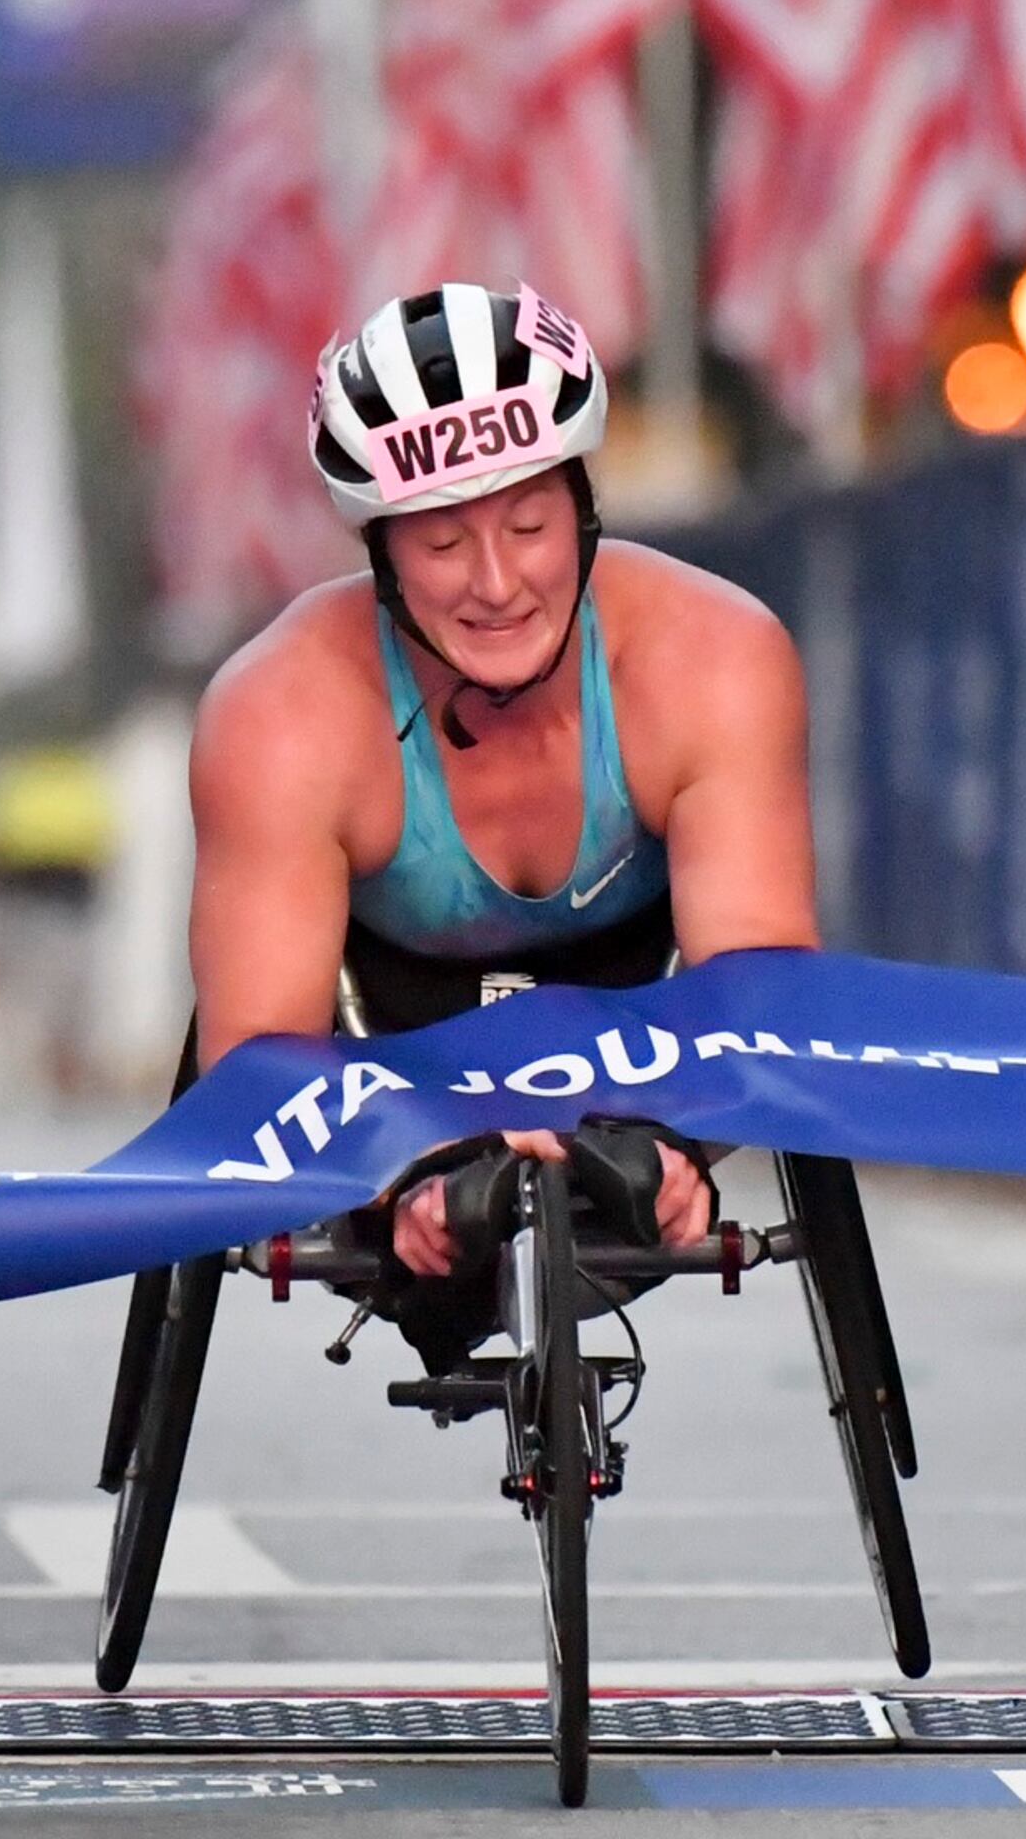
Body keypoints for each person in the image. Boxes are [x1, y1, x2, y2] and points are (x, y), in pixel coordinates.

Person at [183, 282, 814, 1367]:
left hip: (637, 1003)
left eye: (528, 525)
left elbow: (763, 988)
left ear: (583, 504)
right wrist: (401, 1164)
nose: (494, 583)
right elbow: (256, 1057)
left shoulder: (715, 656)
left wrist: (670, 1141)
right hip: (390, 1028)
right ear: (378, 552)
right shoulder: (280, 713)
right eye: (439, 544)